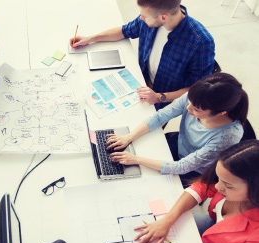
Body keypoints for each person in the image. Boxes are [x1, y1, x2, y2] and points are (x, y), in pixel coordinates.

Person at [121, 140, 259, 243]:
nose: (217, 186)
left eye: (228, 186)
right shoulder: (230, 180)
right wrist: (167, 221)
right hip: (212, 230)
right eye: (219, 178)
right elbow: (200, 187)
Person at [106, 73, 248, 186]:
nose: (188, 108)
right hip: (178, 145)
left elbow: (182, 167)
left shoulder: (228, 136)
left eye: (196, 109)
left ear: (221, 112)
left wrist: (136, 159)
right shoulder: (196, 97)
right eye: (190, 103)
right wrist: (128, 137)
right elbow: (161, 116)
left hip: (192, 171)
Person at [70, 0, 215, 109]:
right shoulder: (150, 18)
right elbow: (124, 31)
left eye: (144, 16)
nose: (141, 18)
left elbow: (197, 89)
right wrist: (90, 39)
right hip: (138, 82)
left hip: (163, 99)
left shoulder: (200, 42)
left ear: (163, 17)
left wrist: (159, 97)